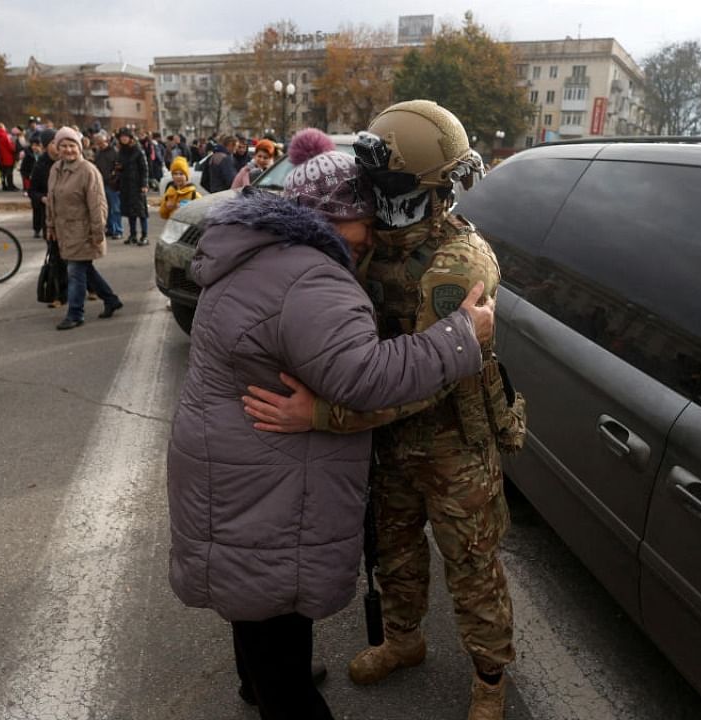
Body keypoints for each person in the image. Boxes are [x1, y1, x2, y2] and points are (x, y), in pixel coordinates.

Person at [166, 128, 494, 720]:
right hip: (260, 471)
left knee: (256, 598)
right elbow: (366, 377)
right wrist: (461, 337)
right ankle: (279, 689)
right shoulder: (312, 280)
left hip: (232, 456)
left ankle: (260, 679)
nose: (371, 233)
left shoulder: (261, 246)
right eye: (360, 220)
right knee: (271, 604)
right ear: (328, 219)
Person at [242, 102, 522, 720]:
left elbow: (422, 384)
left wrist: (322, 416)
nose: (366, 190)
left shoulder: (457, 264)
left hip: (450, 442)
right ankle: (404, 639)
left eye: (378, 179)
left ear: (407, 185)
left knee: (471, 563)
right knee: (393, 549)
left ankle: (490, 676)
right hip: (388, 441)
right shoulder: (370, 242)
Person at [44, 127, 123, 330]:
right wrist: (50, 225)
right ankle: (111, 299)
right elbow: (51, 200)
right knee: (84, 269)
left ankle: (75, 313)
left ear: (79, 148)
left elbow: (98, 205)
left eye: (72, 146)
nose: (68, 150)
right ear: (57, 148)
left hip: (83, 231)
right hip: (64, 231)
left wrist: (98, 232)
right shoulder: (55, 169)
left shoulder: (88, 171)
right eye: (64, 146)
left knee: (75, 271)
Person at [115, 127, 150, 245]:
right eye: (121, 137)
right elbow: (120, 165)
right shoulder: (121, 151)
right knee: (130, 212)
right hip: (125, 185)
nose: (123, 139)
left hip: (137, 185)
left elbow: (144, 168)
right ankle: (133, 234)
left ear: (130, 138)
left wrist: (144, 184)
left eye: (126, 137)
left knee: (141, 212)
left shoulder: (138, 150)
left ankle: (144, 235)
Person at [91, 132, 123, 239]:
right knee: (105, 208)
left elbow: (119, 168)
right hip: (101, 183)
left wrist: (114, 178)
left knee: (115, 208)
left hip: (112, 184)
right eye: (98, 143)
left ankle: (118, 230)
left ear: (106, 141)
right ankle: (110, 228)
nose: (100, 145)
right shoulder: (99, 153)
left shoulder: (114, 152)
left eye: (101, 143)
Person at [158, 155, 200, 219]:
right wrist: (167, 207)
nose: (178, 176)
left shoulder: (193, 194)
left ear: (186, 176)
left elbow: (200, 215)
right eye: (175, 174)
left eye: (181, 174)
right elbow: (163, 215)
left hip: (187, 228)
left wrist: (186, 209)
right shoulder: (169, 193)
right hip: (172, 227)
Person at [0, 122, 17, 191]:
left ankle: (4, 185)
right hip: (8, 157)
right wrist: (14, 148)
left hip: (0, 157)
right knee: (9, 173)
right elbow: (10, 147)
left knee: (2, 173)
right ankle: (10, 186)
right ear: (2, 128)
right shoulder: (5, 136)